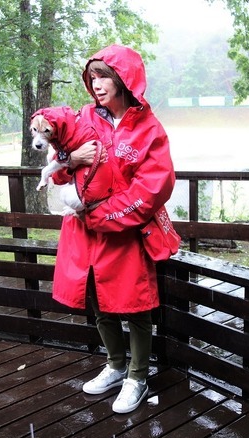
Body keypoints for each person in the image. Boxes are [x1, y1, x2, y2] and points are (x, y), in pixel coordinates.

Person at [50, 44, 175, 414]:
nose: (97, 84)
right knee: (97, 299)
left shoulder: (149, 128)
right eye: (92, 77)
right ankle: (116, 365)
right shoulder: (84, 117)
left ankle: (138, 375)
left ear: (124, 79)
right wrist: (69, 158)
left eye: (104, 75)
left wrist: (105, 216)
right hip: (84, 231)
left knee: (134, 304)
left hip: (126, 232)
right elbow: (59, 167)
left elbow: (154, 186)